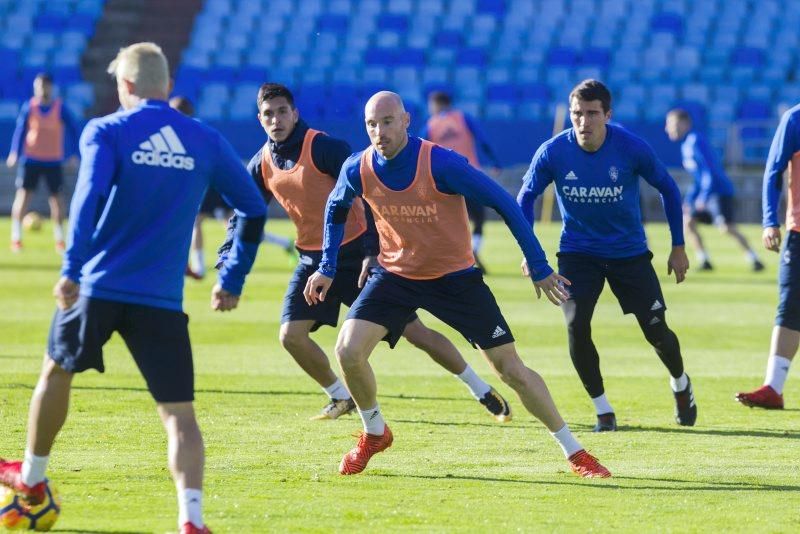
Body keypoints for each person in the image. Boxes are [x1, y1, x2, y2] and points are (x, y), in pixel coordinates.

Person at [0, 43, 268, 534]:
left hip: (97, 287)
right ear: (166, 85)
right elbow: (253, 206)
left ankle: (32, 480)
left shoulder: (106, 130)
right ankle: (192, 519)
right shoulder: (204, 140)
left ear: (124, 86)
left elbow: (87, 198)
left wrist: (71, 268)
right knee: (179, 415)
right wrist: (231, 277)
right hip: (161, 299)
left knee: (56, 372)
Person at [304, 91, 610, 478]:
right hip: (395, 275)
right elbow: (335, 206)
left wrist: (538, 264)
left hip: (455, 279)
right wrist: (327, 266)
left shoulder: (441, 163)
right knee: (348, 350)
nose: (378, 131)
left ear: (406, 121)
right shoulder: (358, 167)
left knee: (510, 369)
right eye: (371, 124)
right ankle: (374, 432)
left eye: (387, 121)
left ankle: (575, 451)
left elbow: (505, 203)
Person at [218, 83, 511, 422]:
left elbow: (372, 193)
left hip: (358, 256)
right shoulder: (262, 163)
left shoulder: (325, 148)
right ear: (259, 119)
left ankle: (480, 389)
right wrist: (226, 258)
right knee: (291, 336)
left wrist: (373, 250)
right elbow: (244, 213)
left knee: (419, 335)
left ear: (295, 113)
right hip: (314, 263)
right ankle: (340, 396)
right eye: (268, 114)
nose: (276, 119)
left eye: (283, 111)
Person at [517, 80, 696, 432]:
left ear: (607, 115)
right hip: (578, 253)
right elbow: (524, 199)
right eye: (576, 114)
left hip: (629, 254)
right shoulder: (553, 152)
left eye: (591, 114)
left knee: (656, 331)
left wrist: (678, 246)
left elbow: (668, 188)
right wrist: (531, 254)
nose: (583, 121)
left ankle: (680, 383)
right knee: (575, 324)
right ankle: (603, 410)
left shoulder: (630, 148)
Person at [735, 103, 800, 409]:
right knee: (789, 306)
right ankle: (773, 387)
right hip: (799, 231)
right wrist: (769, 221)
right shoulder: (795, 119)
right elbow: (774, 170)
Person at [665, 108, 764, 272]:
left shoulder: (696, 140)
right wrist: (689, 200)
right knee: (687, 221)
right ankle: (704, 260)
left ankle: (754, 258)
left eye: (671, 124)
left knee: (726, 227)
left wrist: (703, 197)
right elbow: (697, 178)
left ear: (684, 123)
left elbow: (709, 171)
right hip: (706, 193)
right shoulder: (685, 146)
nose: (667, 128)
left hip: (718, 192)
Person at [419, 91, 502, 273]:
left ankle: (449, 257)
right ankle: (473, 250)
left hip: (444, 180)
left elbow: (419, 150)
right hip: (470, 175)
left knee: (448, 220)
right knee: (478, 219)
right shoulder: (464, 118)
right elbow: (483, 140)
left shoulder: (431, 125)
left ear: (436, 104)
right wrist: (495, 162)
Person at [6, 72, 80, 253]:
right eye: (38, 86)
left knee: (57, 201)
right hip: (31, 159)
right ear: (35, 88)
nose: (41, 89)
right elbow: (20, 130)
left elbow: (74, 129)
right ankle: (16, 238)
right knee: (23, 197)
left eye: (45, 86)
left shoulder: (60, 108)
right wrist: (14, 152)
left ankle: (60, 239)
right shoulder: (29, 107)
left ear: (50, 87)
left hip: (53, 160)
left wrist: (74, 154)